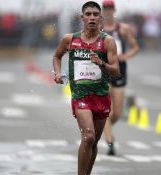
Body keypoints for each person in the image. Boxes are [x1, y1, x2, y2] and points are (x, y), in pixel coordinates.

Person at [52, 1, 119, 175]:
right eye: (88, 14)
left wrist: (101, 63)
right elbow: (57, 56)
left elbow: (116, 70)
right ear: (82, 18)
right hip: (80, 96)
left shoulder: (108, 41)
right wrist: (58, 73)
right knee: (87, 136)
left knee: (93, 143)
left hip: (101, 96)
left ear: (100, 18)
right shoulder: (70, 39)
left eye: (95, 15)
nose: (91, 18)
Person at [101, 0, 139, 156]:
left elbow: (135, 47)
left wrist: (125, 56)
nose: (108, 11)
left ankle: (105, 126)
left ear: (114, 10)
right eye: (105, 8)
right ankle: (110, 142)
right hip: (103, 71)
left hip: (120, 71)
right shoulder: (97, 29)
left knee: (116, 113)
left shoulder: (123, 29)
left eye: (110, 8)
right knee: (105, 110)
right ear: (102, 10)